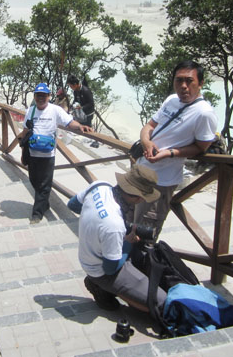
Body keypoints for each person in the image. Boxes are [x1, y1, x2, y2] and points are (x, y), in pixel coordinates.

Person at [134, 60, 217, 239]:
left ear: (201, 83)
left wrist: (169, 153)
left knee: (145, 232)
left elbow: (201, 147)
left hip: (161, 181)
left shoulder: (204, 113)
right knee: (127, 221)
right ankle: (123, 264)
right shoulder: (171, 100)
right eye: (179, 80)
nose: (183, 86)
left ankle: (140, 266)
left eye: (189, 81)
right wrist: (146, 142)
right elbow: (149, 125)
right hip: (140, 172)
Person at [67, 165, 167, 312]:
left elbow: (72, 205)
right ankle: (98, 285)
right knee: (160, 303)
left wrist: (93, 220)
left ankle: (107, 284)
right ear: (138, 197)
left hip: (88, 255)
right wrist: (127, 243)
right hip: (99, 270)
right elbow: (109, 269)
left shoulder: (100, 185)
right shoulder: (114, 225)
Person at [21, 83, 93, 224]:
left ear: (49, 96)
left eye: (43, 95)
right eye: (38, 95)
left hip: (48, 155)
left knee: (44, 185)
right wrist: (23, 151)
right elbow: (24, 131)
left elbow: (69, 122)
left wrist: (80, 126)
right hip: (32, 152)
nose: (41, 98)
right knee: (34, 181)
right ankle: (44, 204)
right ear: (35, 97)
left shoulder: (56, 110)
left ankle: (37, 214)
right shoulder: (31, 110)